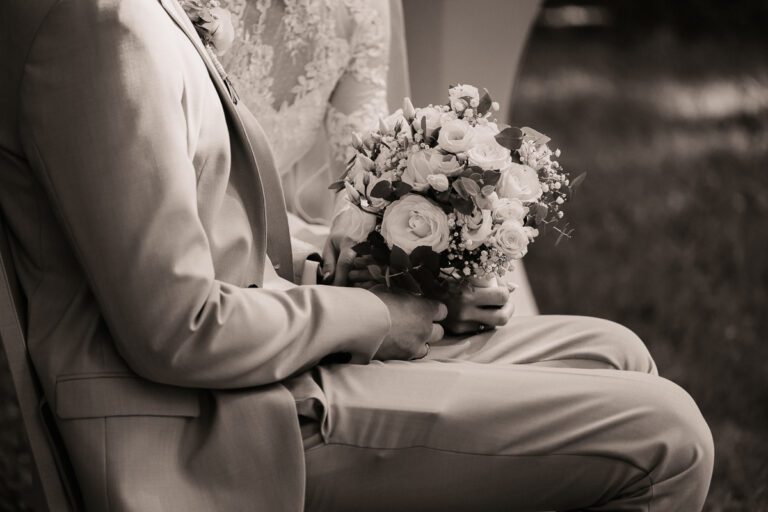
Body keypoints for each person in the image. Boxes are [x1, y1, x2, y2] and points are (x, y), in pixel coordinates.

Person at [0, 0, 713, 511]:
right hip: (216, 424)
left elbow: (212, 244)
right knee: (667, 435)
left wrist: (372, 274)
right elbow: (176, 328)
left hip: (255, 372)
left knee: (609, 352)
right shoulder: (99, 25)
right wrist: (374, 316)